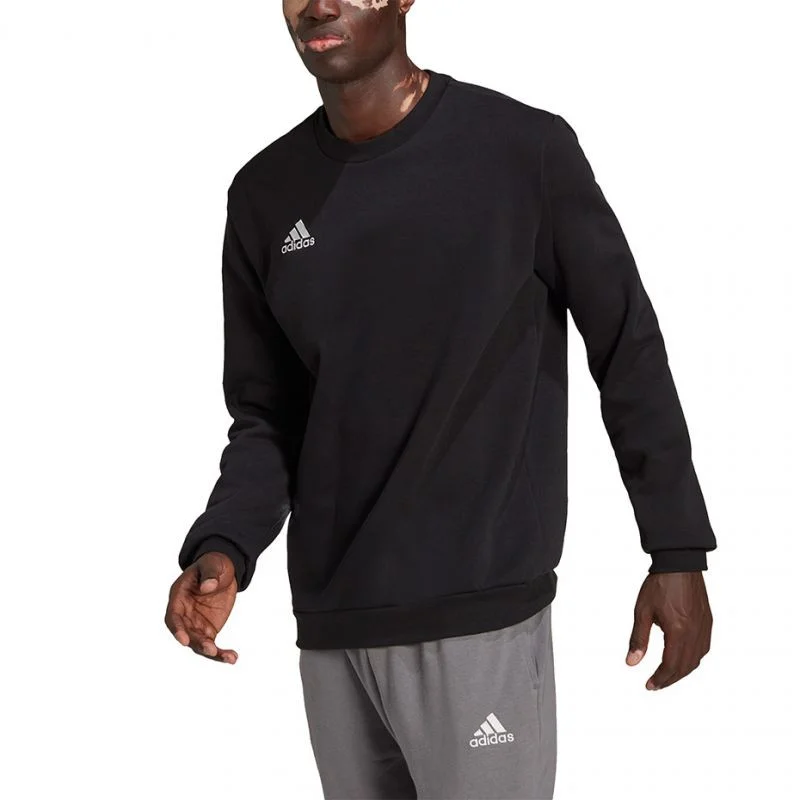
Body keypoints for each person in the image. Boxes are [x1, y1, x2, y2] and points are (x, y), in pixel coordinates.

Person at [164, 2, 717, 797]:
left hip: (479, 615)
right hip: (332, 627)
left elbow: (626, 346)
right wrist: (225, 546)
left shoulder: (521, 151)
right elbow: (267, 415)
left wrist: (676, 549)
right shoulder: (264, 193)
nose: (318, 4)